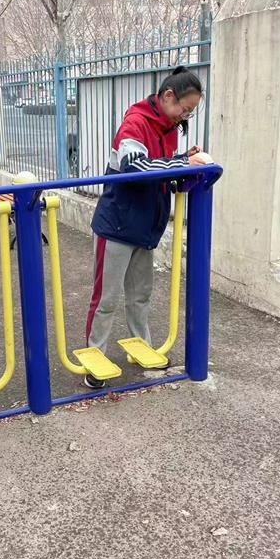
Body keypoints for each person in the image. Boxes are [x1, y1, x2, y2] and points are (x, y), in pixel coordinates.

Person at [85, 66, 211, 389]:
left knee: (140, 296)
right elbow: (135, 166)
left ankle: (141, 349)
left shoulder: (169, 127)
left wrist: (183, 158)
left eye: (190, 113)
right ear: (168, 96)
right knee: (106, 299)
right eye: (185, 109)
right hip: (117, 225)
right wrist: (181, 163)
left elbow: (158, 165)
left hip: (145, 226)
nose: (185, 117)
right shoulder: (136, 122)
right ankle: (94, 358)